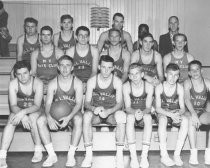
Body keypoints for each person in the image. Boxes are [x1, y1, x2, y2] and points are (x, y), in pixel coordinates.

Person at [36, 55, 83, 167]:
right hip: (55, 111)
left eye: (68, 66)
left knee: (79, 119)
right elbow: (47, 103)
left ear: (72, 68)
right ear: (58, 67)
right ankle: (52, 155)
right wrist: (49, 117)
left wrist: (69, 117)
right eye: (62, 65)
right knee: (40, 121)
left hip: (72, 111)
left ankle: (71, 155)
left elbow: (78, 104)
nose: (65, 69)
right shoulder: (53, 83)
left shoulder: (78, 83)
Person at [81, 55, 126, 168]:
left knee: (121, 116)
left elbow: (120, 103)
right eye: (104, 67)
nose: (106, 70)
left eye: (109, 67)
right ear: (99, 66)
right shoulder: (92, 81)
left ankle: (119, 155)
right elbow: (86, 103)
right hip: (96, 111)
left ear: (113, 68)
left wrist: (109, 111)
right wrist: (93, 109)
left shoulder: (117, 81)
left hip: (111, 112)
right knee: (86, 116)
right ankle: (89, 155)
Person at [0, 61, 44, 168]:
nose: (22, 77)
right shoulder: (13, 84)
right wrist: (22, 115)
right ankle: (2, 156)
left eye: (25, 73)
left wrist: (23, 113)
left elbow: (37, 105)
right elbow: (13, 105)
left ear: (31, 72)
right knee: (11, 120)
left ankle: (38, 150)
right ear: (15, 74)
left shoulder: (38, 83)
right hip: (19, 109)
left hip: (35, 110)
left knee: (33, 118)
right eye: (19, 74)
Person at [155, 63, 189, 166]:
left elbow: (183, 108)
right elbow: (157, 108)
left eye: (175, 75)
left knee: (186, 120)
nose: (173, 78)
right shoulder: (159, 87)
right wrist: (171, 115)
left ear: (178, 76)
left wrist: (177, 114)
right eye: (170, 74)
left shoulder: (179, 88)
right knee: (162, 120)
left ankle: (177, 154)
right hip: (163, 112)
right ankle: (164, 155)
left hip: (174, 112)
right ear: (165, 74)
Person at [123, 63, 154, 168]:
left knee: (148, 118)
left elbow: (149, 107)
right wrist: (135, 112)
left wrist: (142, 113)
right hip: (132, 113)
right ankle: (134, 157)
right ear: (129, 76)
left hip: (144, 113)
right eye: (132, 74)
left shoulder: (149, 86)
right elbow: (127, 107)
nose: (134, 76)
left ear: (142, 74)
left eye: (137, 73)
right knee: (130, 117)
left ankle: (144, 156)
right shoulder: (126, 86)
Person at [184, 60, 210, 165]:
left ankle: (208, 153)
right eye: (192, 70)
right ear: (189, 73)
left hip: (202, 111)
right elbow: (186, 99)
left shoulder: (207, 82)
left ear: (201, 71)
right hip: (189, 111)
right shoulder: (187, 82)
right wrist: (193, 114)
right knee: (191, 121)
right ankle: (193, 153)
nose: (195, 72)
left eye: (197, 69)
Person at [31, 26, 63, 93]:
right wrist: (40, 84)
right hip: (40, 83)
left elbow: (62, 72)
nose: (46, 37)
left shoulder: (59, 52)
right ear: (40, 37)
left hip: (55, 83)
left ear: (51, 37)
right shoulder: (35, 53)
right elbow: (33, 73)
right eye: (43, 35)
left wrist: (52, 85)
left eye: (48, 35)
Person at [66, 26, 99, 92]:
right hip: (74, 80)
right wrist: (79, 83)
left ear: (88, 38)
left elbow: (94, 71)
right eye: (81, 35)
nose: (83, 38)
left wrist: (88, 83)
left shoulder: (94, 51)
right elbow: (69, 71)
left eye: (86, 36)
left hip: (90, 80)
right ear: (76, 37)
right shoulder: (70, 51)